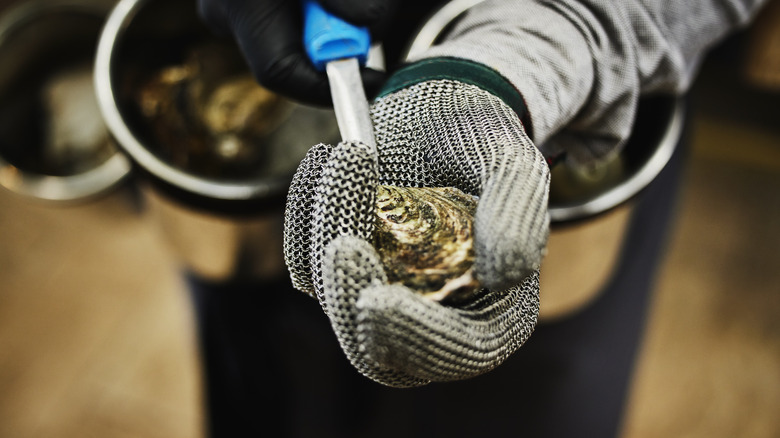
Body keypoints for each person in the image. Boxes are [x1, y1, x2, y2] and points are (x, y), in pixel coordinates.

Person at [190, 0, 769, 436]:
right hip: (276, 118)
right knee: (278, 385)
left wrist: (543, 42)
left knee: (518, 407)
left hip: (555, 96)